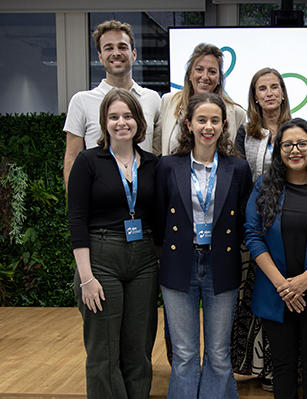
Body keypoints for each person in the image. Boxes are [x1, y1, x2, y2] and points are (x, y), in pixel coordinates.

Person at [154, 92, 252, 399]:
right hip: (178, 264)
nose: (208, 126)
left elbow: (244, 221)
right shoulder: (169, 166)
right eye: (201, 120)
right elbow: (159, 220)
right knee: (183, 355)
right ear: (188, 124)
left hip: (221, 264)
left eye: (214, 120)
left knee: (219, 354)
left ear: (224, 125)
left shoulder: (237, 168)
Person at [244, 118, 307, 399]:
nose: (295, 150)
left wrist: (304, 280)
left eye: (302, 143)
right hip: (275, 293)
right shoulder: (263, 187)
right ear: (278, 150)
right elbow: (253, 236)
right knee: (282, 367)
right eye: (288, 144)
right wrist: (284, 286)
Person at [67, 88, 160, 399]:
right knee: (104, 353)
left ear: (139, 121)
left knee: (139, 350)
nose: (122, 122)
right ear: (104, 123)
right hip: (101, 258)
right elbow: (77, 219)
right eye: (114, 116)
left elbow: (159, 218)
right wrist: (86, 277)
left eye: (128, 116)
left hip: (144, 261)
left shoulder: (152, 164)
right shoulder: (88, 161)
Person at [231, 67, 292, 391]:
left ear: (283, 92)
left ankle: (279, 368)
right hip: (253, 226)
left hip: (289, 227)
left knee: (282, 297)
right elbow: (241, 178)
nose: (268, 93)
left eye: (274, 87)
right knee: (254, 298)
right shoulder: (245, 132)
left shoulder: (296, 129)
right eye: (262, 88)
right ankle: (257, 366)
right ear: (254, 96)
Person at [64, 20, 161, 190]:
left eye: (123, 47)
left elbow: (157, 151)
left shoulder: (152, 99)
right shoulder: (81, 101)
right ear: (100, 56)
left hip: (143, 200)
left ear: (134, 54)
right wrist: (75, 208)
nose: (116, 53)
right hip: (100, 204)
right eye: (109, 48)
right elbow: (72, 158)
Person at [157, 43, 246, 156]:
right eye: (199, 69)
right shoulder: (169, 102)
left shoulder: (237, 114)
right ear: (189, 73)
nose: (205, 77)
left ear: (219, 78)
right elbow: (155, 146)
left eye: (212, 71)